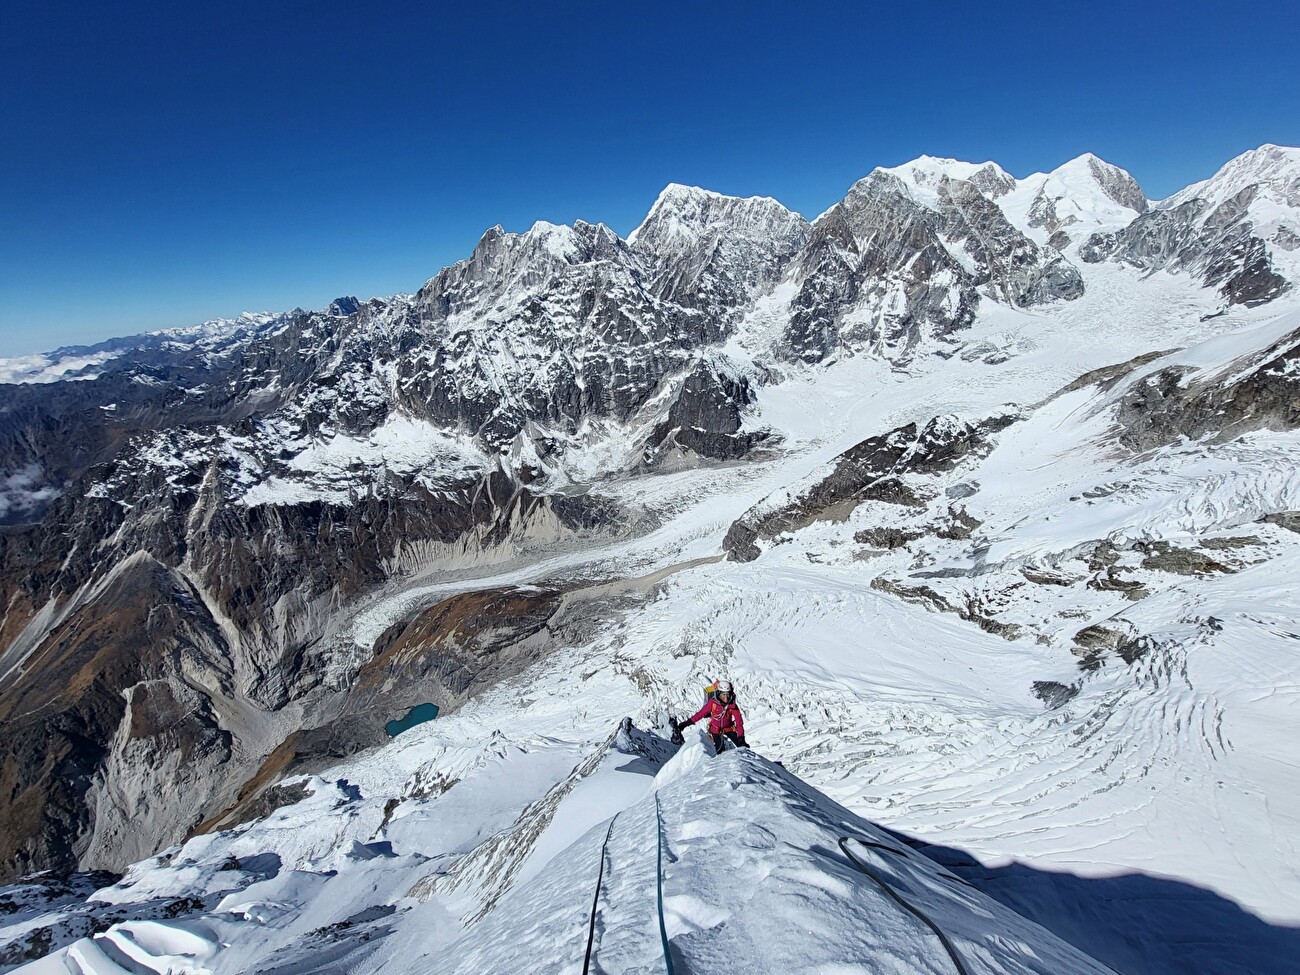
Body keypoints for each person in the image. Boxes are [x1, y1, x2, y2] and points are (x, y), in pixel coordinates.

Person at [674, 679, 749, 754]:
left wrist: (741, 737)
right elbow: (700, 714)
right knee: (720, 749)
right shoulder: (713, 703)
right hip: (715, 729)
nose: (726, 697)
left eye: (727, 694)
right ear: (719, 693)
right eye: (723, 694)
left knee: (741, 745)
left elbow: (739, 722)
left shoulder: (732, 706)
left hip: (728, 729)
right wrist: (687, 723)